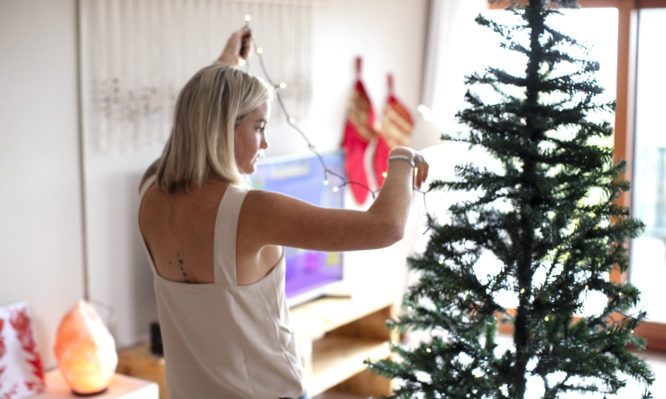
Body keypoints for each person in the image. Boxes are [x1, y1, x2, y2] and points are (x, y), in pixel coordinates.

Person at [137, 28, 429, 399]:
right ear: (221, 129)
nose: (266, 143)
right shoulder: (249, 212)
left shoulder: (150, 191)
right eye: (258, 128)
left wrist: (228, 62)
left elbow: (194, 123)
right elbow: (384, 227)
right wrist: (403, 156)